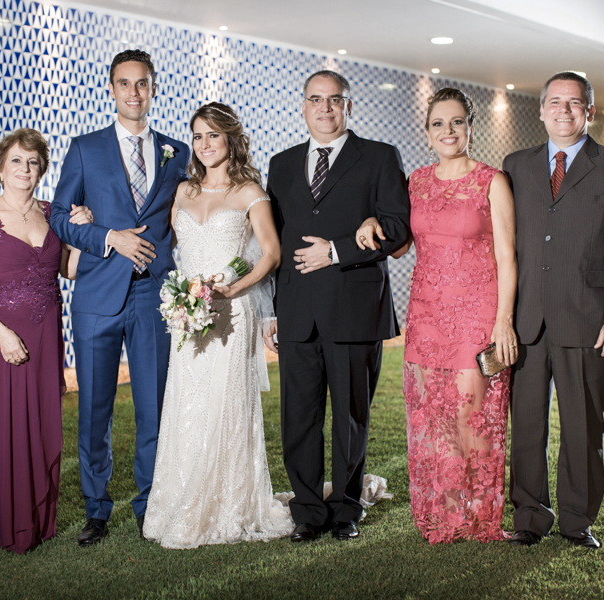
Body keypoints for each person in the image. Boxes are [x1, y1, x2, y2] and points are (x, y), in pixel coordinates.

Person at [359, 88, 517, 543]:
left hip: (476, 317)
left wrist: (503, 320)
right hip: (426, 317)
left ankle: (479, 518)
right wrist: (372, 224)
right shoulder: (416, 183)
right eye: (438, 124)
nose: (448, 131)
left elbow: (508, 256)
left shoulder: (492, 181)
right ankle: (443, 515)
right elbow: (401, 244)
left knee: (473, 417)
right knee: (431, 418)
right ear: (427, 134)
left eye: (456, 122)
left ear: (470, 127)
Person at [49, 49, 190, 546]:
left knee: (155, 408)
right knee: (95, 410)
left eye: (142, 83)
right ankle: (96, 508)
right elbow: (60, 217)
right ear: (111, 89)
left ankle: (151, 504)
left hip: (154, 296)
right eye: (124, 83)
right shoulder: (84, 148)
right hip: (96, 297)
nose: (134, 92)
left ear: (154, 89)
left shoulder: (178, 152)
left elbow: (188, 215)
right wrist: (109, 237)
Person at [504, 72, 604, 550]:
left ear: (590, 111)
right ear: (541, 110)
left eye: (574, 103)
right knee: (526, 425)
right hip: (527, 321)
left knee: (584, 426)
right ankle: (529, 515)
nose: (563, 110)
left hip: (589, 320)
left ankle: (576, 519)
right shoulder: (516, 166)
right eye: (555, 102)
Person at [264, 70, 410, 542]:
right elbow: (273, 243)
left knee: (350, 418)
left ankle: (346, 508)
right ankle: (307, 510)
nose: (324, 109)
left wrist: (336, 250)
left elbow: (397, 229)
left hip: (354, 310)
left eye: (334, 100)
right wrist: (271, 309)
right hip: (296, 312)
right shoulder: (281, 164)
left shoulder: (380, 157)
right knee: (299, 419)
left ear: (349, 106)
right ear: (303, 106)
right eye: (315, 99)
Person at [142, 102, 293, 549]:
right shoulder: (182, 191)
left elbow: (270, 253)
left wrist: (233, 287)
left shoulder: (249, 192)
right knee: (187, 402)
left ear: (230, 139)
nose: (205, 144)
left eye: (213, 135)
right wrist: (182, 295)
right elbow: (167, 246)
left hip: (232, 312)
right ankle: (179, 498)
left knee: (226, 405)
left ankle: (230, 503)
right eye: (198, 136)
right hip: (188, 313)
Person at [0, 129, 84, 553]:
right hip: (0, 338)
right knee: (0, 424)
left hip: (46, 334)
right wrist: (2, 334)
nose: (24, 169)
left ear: (41, 169)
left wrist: (80, 233)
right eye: (16, 160)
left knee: (41, 421)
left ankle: (34, 521)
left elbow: (68, 271)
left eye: (32, 162)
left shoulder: (52, 214)